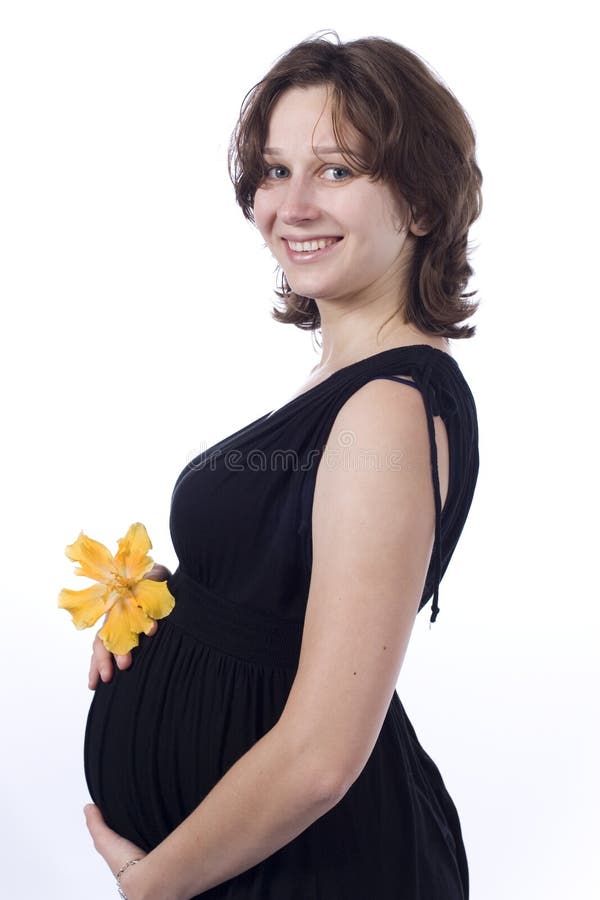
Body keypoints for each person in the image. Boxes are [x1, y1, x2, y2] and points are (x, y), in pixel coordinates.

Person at [83, 33, 481, 900]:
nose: (291, 205)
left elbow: (321, 761)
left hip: (312, 873)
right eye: (272, 171)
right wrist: (185, 610)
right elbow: (291, 593)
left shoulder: (387, 406)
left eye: (336, 170)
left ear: (419, 203)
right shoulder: (344, 387)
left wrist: (152, 888)